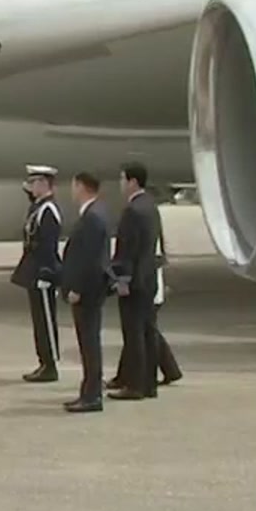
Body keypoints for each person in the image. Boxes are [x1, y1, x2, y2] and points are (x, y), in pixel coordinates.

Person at [109, 161, 164, 402]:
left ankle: (135, 385)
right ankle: (149, 384)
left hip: (134, 281)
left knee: (134, 335)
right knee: (148, 332)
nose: (120, 184)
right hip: (149, 278)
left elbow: (127, 250)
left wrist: (122, 279)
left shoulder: (132, 211)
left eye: (122, 179)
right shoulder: (150, 206)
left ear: (132, 181)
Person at [59, 172, 111, 413]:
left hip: (87, 292)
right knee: (88, 343)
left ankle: (92, 396)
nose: (72, 191)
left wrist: (77, 288)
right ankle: (88, 392)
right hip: (90, 290)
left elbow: (89, 259)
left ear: (81, 187)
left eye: (74, 186)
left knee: (89, 343)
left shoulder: (92, 217)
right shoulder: (94, 213)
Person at [9, 165, 64, 383]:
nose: (30, 187)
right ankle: (43, 361)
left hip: (43, 273)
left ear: (43, 184)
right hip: (34, 271)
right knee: (38, 320)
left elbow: (48, 246)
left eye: (33, 183)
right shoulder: (38, 207)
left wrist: (47, 273)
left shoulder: (48, 210)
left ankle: (50, 365)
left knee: (46, 321)